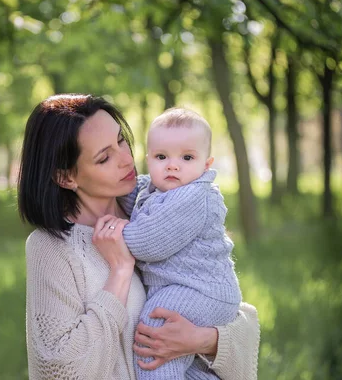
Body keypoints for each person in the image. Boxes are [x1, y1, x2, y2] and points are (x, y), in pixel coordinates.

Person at [18, 94, 260, 380]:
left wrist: (203, 340)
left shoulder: (156, 202)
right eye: (104, 157)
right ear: (66, 177)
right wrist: (119, 273)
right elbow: (57, 369)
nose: (125, 159)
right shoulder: (51, 248)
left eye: (121, 140)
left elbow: (235, 311)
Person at [98, 107, 241, 379]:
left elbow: (148, 243)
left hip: (202, 290)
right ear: (149, 158)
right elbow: (131, 195)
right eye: (161, 156)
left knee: (155, 328)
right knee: (187, 366)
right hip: (185, 288)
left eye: (187, 157)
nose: (172, 165)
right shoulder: (155, 188)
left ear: (206, 165)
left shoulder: (194, 196)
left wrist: (120, 231)